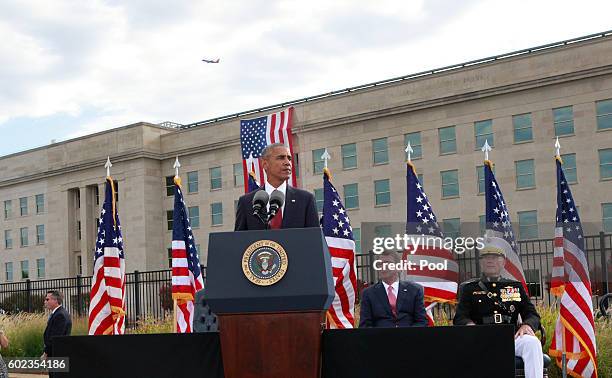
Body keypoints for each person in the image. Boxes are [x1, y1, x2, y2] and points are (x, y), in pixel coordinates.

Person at [453, 245, 543, 378]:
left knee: (532, 343)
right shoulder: (469, 289)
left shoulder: (514, 287)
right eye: (486, 258)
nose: (490, 260)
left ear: (503, 262)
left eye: (495, 257)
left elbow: (531, 314)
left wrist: (527, 325)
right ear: (481, 263)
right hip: (481, 339)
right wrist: (469, 326)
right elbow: (460, 317)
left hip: (511, 338)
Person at [234, 143, 319, 231]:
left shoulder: (306, 199)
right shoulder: (246, 202)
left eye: (289, 158)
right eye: (281, 158)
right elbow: (239, 241)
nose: (287, 163)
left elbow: (314, 239)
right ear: (265, 164)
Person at [359, 250, 428, 328]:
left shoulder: (415, 290)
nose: (383, 267)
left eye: (387, 263)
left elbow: (422, 321)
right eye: (379, 264)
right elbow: (365, 326)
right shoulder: (368, 293)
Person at [41, 290, 72, 360]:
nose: (45, 302)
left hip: (57, 355)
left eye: (47, 299)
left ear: (55, 300)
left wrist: (46, 353)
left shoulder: (60, 315)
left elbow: (55, 337)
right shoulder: (58, 313)